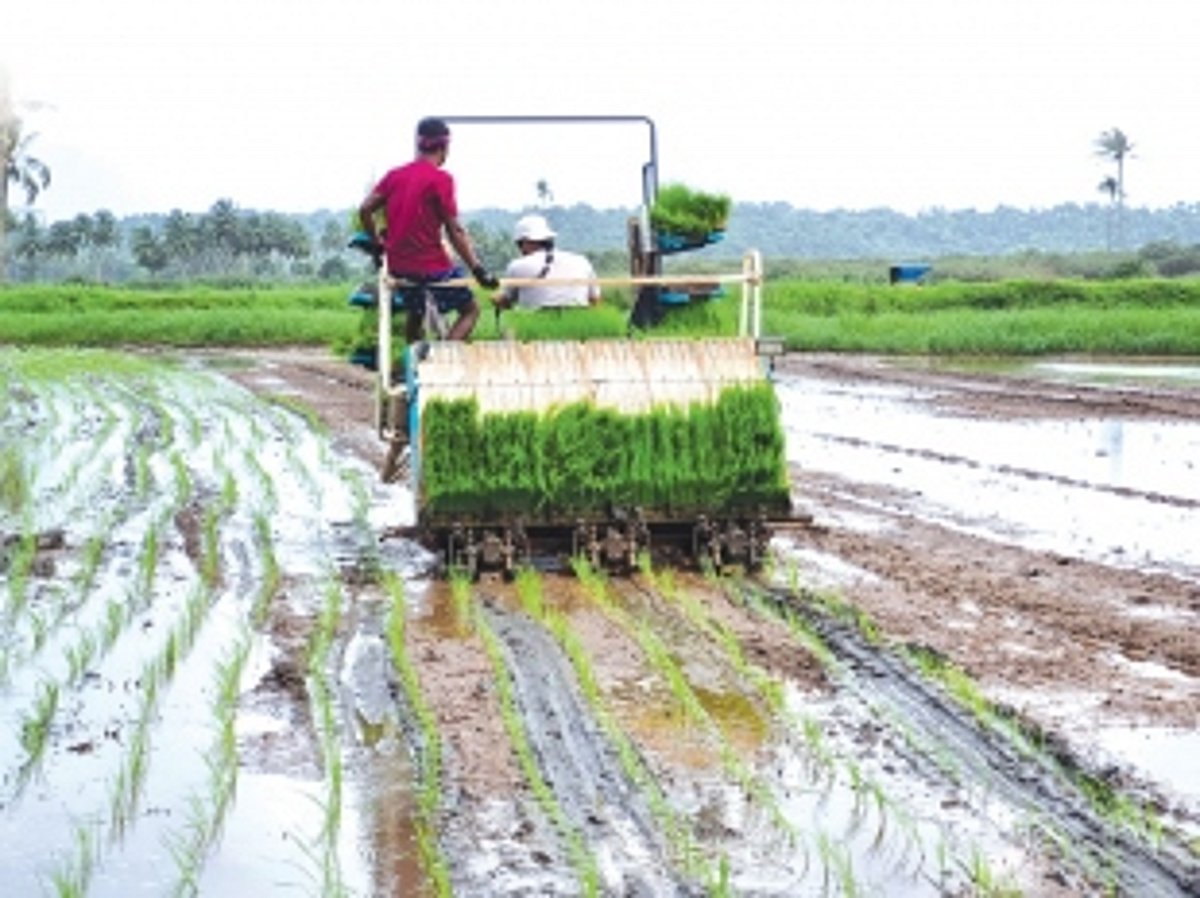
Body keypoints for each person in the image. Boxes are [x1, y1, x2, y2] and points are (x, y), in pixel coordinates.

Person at [357, 117, 498, 342]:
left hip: (399, 267)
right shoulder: (441, 180)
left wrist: (378, 245)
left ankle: (413, 366)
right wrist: (478, 270)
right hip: (430, 268)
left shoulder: (395, 176)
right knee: (471, 310)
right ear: (445, 147)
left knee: (417, 310)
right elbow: (455, 232)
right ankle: (441, 361)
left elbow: (365, 209)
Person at [492, 214, 601, 311]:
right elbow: (595, 299)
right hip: (579, 323)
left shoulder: (517, 266)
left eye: (519, 244)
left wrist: (495, 299)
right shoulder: (581, 261)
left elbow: (506, 300)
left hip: (533, 326)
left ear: (526, 242)